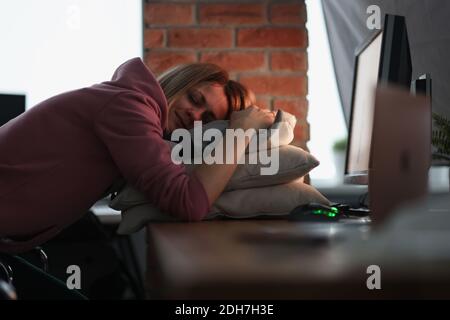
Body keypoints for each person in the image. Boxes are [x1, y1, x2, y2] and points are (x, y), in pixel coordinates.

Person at [0, 57, 275, 254]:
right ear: (180, 82)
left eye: (208, 119)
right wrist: (241, 132)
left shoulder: (132, 106)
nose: (195, 115)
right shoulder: (129, 107)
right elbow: (188, 202)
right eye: (194, 98)